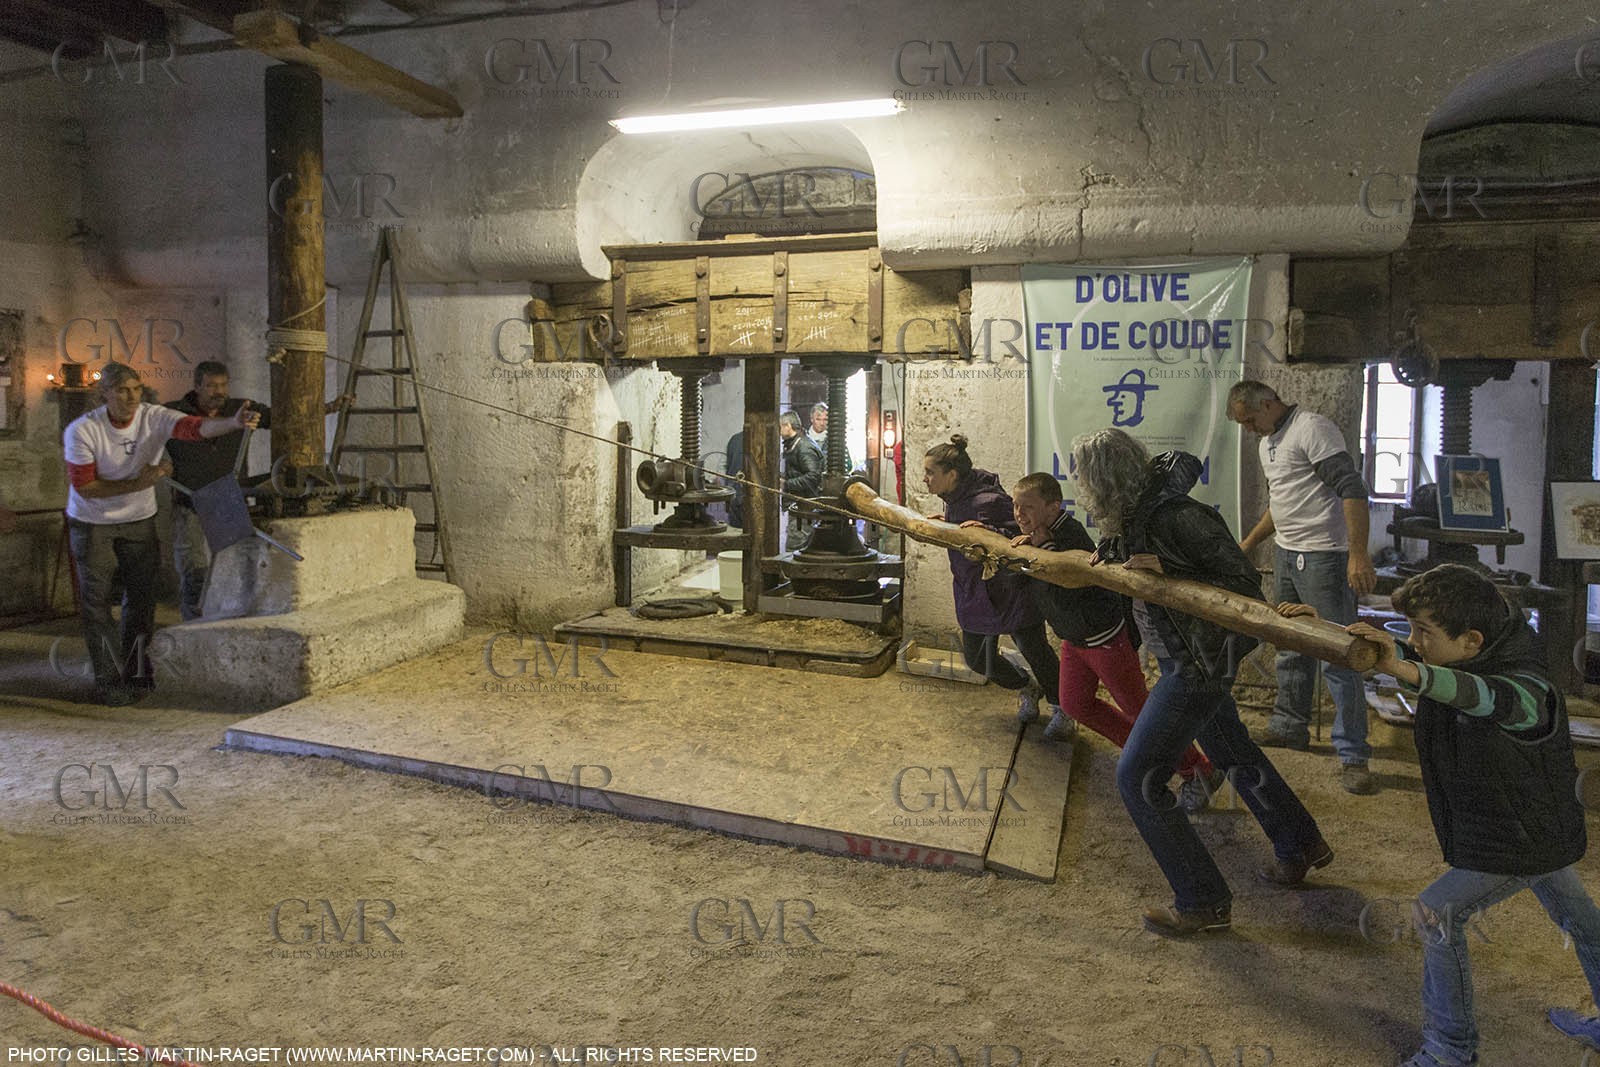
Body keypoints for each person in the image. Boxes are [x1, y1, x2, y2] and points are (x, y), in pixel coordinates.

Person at [1326, 565, 1598, 1067]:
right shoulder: (1484, 643)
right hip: (1529, 824)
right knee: (1581, 921)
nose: (1414, 642)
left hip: (1522, 835)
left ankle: (1451, 1050)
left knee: (1437, 912)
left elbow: (1481, 696)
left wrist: (1406, 668)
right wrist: (1335, 631)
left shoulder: (1528, 690)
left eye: (1423, 632)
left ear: (1473, 640)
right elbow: (1429, 659)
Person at [1072, 427, 1331, 936]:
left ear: (1105, 479)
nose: (1079, 483)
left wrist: (1168, 570)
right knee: (1234, 751)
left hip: (1199, 665)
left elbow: (1242, 586)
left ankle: (1203, 900)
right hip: (1184, 660)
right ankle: (1299, 843)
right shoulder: (1135, 516)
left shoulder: (1178, 517)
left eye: (1084, 475)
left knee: (1138, 778)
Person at [1009, 472, 1222, 812]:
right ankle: (1148, 759)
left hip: (1103, 639)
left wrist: (1042, 552)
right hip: (1074, 639)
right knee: (1075, 704)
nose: (1019, 514)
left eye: (1027, 507)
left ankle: (1199, 770)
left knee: (1141, 710)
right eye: (1016, 506)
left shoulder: (1069, 535)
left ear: (1053, 507)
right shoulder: (1037, 535)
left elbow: (1064, 584)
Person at [64, 362, 259, 704]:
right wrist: (137, 483)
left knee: (140, 599)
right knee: (96, 604)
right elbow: (86, 487)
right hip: (93, 523)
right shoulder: (83, 430)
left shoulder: (152, 416)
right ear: (104, 394)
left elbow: (193, 428)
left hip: (139, 519)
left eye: (136, 389)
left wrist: (232, 422)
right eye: (122, 390)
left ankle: (137, 674)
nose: (131, 397)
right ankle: (110, 682)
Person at [1228, 379, 1379, 794]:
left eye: (1251, 420)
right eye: (1244, 425)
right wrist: (1250, 543)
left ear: (1268, 403)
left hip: (1324, 556)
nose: (1250, 430)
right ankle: (1289, 724)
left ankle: (1353, 754)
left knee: (1340, 651)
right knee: (1288, 642)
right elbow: (1282, 503)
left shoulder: (1312, 429)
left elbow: (1351, 488)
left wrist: (1358, 553)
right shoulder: (1269, 443)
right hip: (1287, 553)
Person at [165, 360, 350, 620]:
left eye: (223, 385)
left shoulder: (241, 409)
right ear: (197, 387)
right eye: (211, 386)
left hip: (229, 501)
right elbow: (147, 440)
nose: (218, 391)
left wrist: (329, 408)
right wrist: (161, 463)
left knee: (235, 566)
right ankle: (193, 627)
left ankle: (231, 620)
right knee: (194, 570)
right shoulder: (174, 414)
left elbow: (284, 417)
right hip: (191, 502)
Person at [923, 435, 1061, 726]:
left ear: (951, 475)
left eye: (930, 473)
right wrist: (948, 527)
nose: (925, 479)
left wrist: (987, 531)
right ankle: (1026, 686)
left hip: (1011, 592)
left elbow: (1023, 536)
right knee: (977, 659)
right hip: (975, 593)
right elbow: (967, 532)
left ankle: (1062, 709)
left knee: (1036, 652)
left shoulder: (989, 500)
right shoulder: (955, 499)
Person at [780, 412, 823, 549]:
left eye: (780, 427)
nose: (779, 431)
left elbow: (813, 476)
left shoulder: (803, 447)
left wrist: (786, 484)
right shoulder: (796, 444)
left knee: (794, 549)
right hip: (801, 505)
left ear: (788, 426)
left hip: (804, 507)